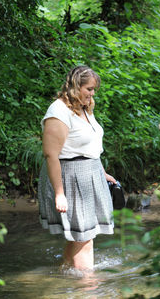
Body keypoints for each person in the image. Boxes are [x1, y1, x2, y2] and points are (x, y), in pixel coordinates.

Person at [38, 65, 116, 273]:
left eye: (94, 90)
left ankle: (64, 275)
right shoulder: (58, 111)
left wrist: (102, 173)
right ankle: (88, 288)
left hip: (89, 174)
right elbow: (51, 155)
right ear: (75, 86)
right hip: (69, 178)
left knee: (80, 236)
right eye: (89, 89)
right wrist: (59, 193)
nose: (92, 94)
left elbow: (89, 146)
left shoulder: (83, 108)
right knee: (85, 237)